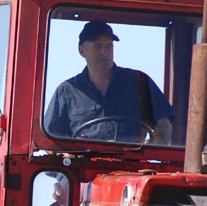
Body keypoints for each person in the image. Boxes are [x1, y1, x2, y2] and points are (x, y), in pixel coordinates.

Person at [44, 20, 175, 144]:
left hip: (130, 165)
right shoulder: (67, 91)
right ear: (82, 51)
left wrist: (148, 151)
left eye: (109, 46)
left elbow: (163, 123)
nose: (105, 52)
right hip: (82, 166)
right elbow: (50, 139)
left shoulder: (140, 82)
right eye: (98, 47)